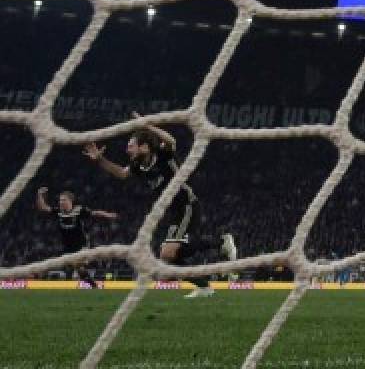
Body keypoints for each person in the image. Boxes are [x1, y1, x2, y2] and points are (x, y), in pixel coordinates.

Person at [83, 114, 236, 299]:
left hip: (187, 204)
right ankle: (205, 286)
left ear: (145, 147)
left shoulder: (163, 155)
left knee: (169, 252)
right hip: (174, 211)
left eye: (131, 145)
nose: (127, 149)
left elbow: (171, 140)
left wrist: (148, 125)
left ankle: (220, 243)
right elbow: (122, 174)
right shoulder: (138, 165)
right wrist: (100, 160)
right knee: (168, 257)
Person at [35, 187, 117, 288]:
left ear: (70, 201)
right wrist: (39, 195)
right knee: (79, 269)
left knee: (78, 263)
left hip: (81, 244)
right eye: (60, 200)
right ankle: (94, 285)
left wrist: (108, 215)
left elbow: (94, 213)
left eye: (63, 200)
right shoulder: (58, 212)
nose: (61, 202)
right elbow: (43, 208)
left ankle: (99, 264)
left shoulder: (79, 210)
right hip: (68, 247)